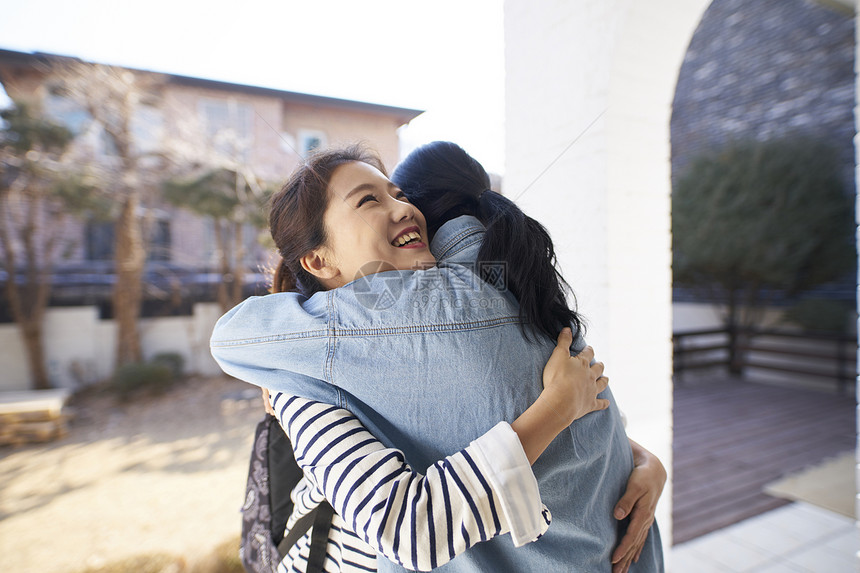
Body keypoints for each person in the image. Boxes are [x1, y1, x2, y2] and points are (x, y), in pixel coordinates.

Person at [211, 144, 665, 572]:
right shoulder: (302, 373)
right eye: (369, 201)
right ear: (318, 260)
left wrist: (637, 458)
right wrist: (564, 413)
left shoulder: (490, 301)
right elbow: (407, 527)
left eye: (400, 194)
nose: (403, 207)